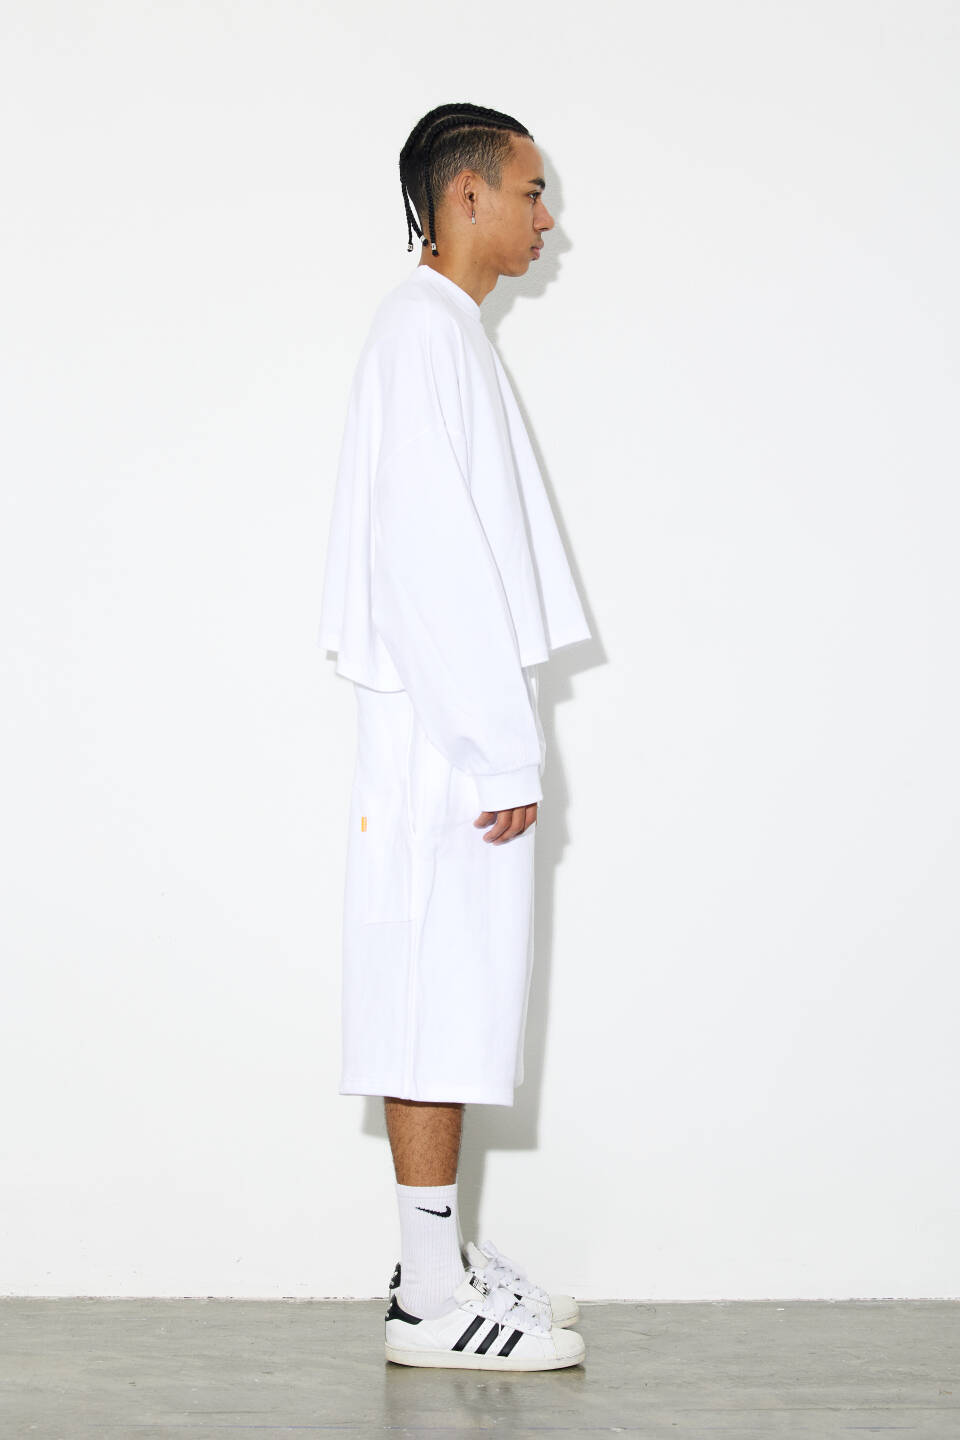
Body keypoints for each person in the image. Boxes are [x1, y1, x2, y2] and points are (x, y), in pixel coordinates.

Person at [317, 102, 591, 1371]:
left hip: (449, 723)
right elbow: (429, 565)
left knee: (453, 983)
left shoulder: (439, 334)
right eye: (532, 193)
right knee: (433, 990)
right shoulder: (424, 333)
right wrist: (497, 749)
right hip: (444, 732)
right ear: (466, 194)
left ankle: (439, 1262)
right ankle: (431, 1298)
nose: (549, 219)